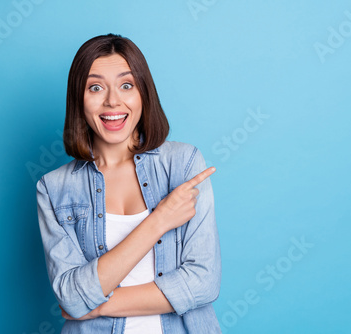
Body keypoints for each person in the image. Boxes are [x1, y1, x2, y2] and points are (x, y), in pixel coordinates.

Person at [36, 33, 222, 333]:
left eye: (126, 85)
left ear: (143, 94)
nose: (112, 101)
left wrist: (95, 304)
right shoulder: (54, 188)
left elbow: (203, 282)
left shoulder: (183, 164)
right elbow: (69, 295)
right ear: (78, 100)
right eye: (95, 87)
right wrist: (158, 221)